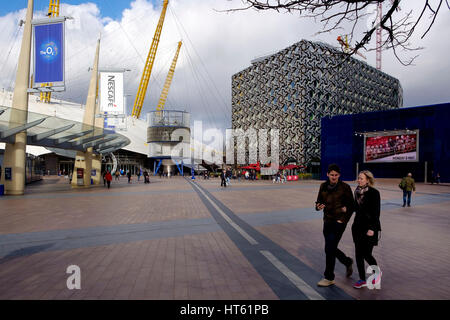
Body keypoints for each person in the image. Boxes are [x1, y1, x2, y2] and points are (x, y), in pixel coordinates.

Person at [315, 164, 354, 287]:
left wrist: (343, 220)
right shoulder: (323, 186)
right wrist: (318, 206)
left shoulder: (345, 187)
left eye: (336, 175)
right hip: (327, 221)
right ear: (327, 174)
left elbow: (351, 206)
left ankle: (329, 277)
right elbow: (318, 202)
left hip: (339, 223)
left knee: (329, 248)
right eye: (331, 175)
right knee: (330, 248)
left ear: (339, 175)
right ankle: (347, 261)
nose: (334, 177)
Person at [352, 170, 382, 289]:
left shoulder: (374, 193)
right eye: (358, 178)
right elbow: (355, 208)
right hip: (357, 227)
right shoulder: (357, 192)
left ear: (368, 180)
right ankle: (362, 279)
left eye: (361, 178)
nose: (359, 180)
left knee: (367, 254)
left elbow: (376, 212)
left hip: (370, 228)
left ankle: (377, 274)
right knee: (358, 254)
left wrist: (372, 228)